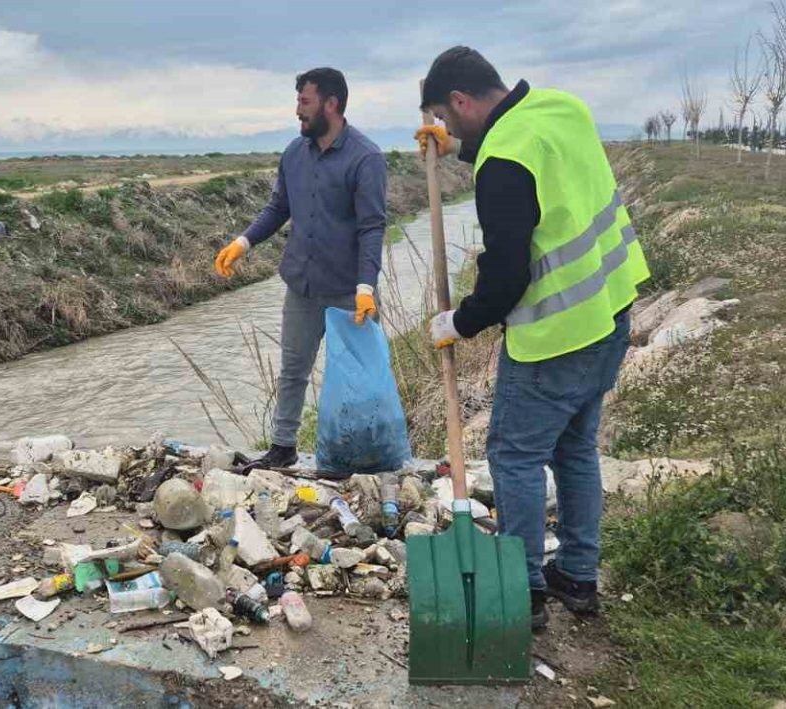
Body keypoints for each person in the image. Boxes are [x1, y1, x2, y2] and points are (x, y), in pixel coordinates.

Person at [416, 47, 649, 628]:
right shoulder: (561, 108)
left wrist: (460, 322)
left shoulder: (502, 159)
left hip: (555, 337)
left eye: (444, 118)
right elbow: (534, 174)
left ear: (461, 100)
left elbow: (506, 275)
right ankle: (578, 574)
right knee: (574, 449)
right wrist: (455, 148)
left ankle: (523, 590)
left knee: (514, 456)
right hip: (611, 312)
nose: (446, 129)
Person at [213, 67, 389, 477]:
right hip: (302, 286)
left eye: (305, 102)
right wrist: (243, 243)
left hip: (350, 291)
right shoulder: (294, 153)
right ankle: (283, 448)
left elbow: (372, 227)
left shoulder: (366, 158)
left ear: (331, 104)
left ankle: (362, 455)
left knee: (360, 376)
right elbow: (278, 208)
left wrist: (366, 286)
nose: (297, 110)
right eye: (297, 101)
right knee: (293, 370)